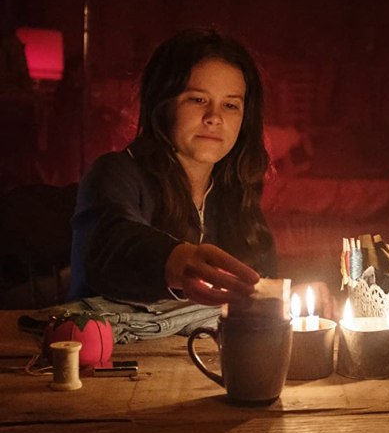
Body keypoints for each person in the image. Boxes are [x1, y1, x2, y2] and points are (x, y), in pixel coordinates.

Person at [70, 28, 275, 306]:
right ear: (163, 103)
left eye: (230, 105)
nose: (214, 117)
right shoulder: (116, 173)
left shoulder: (233, 192)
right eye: (198, 99)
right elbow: (110, 242)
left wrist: (290, 299)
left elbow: (260, 286)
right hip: (111, 346)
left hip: (201, 348)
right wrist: (177, 260)